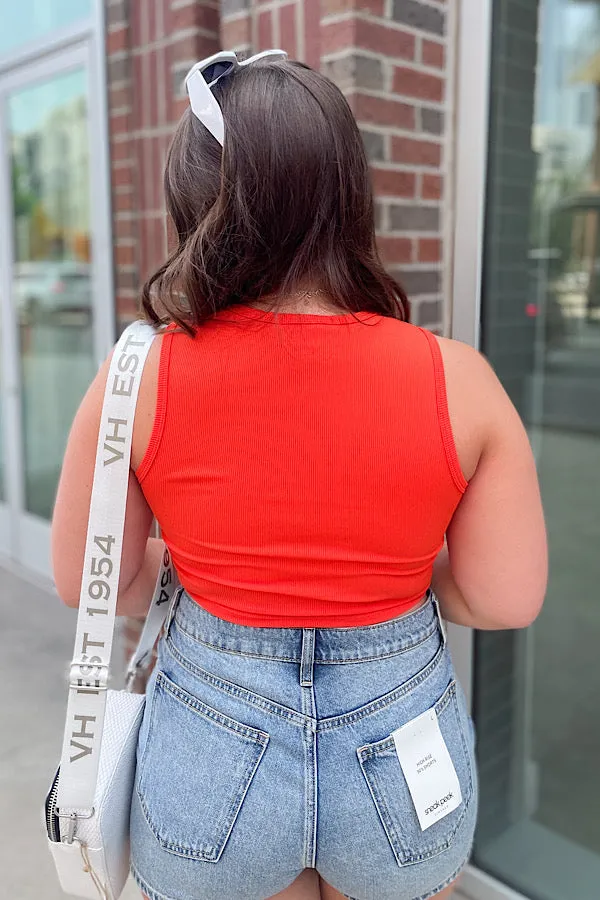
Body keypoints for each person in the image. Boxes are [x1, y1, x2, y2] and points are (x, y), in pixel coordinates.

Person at [51, 50, 548, 900]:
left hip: (211, 753)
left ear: (197, 203)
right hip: (401, 750)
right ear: (349, 195)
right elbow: (504, 599)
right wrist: (393, 579)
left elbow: (95, 581)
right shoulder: (461, 381)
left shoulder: (137, 378)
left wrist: (208, 567)